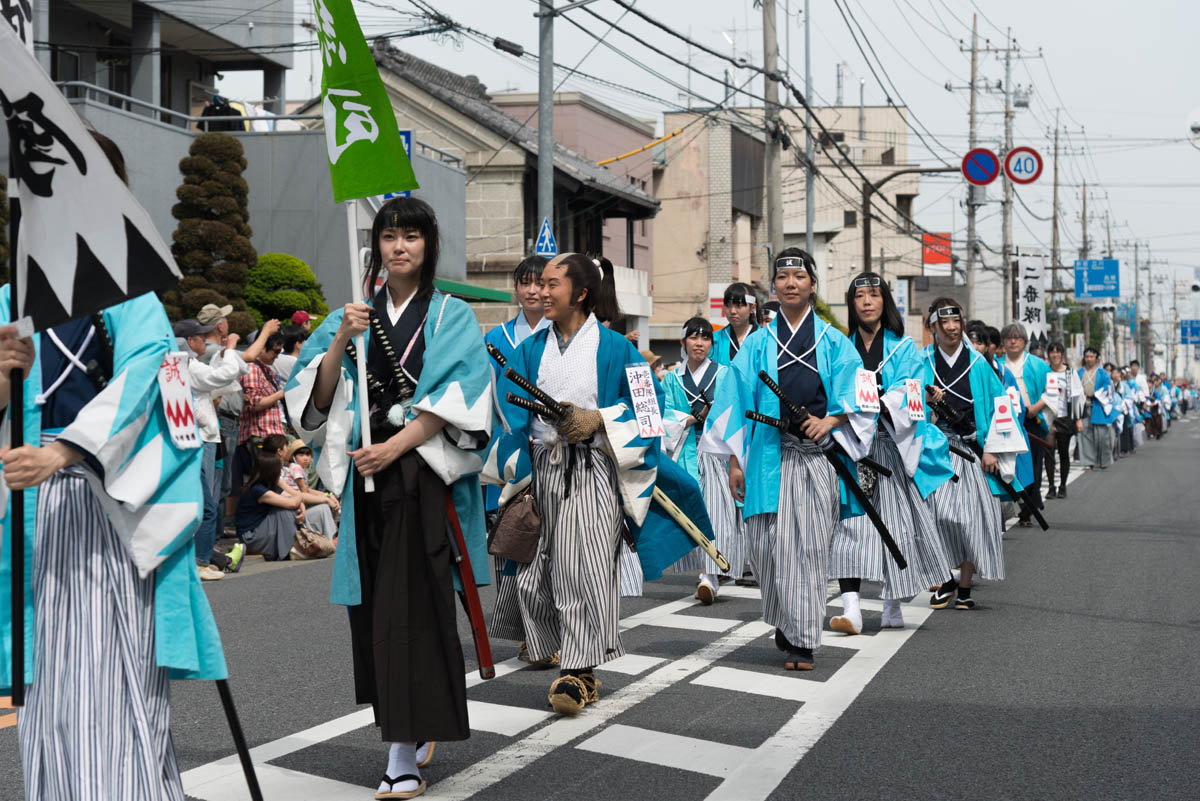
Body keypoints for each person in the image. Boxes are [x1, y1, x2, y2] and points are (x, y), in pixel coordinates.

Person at [0, 130, 225, 801]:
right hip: (31, 511)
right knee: (45, 693)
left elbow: (147, 384)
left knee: (108, 681)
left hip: (105, 507)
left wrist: (63, 452)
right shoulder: (13, 294)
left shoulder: (131, 295)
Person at [287, 197, 493, 798]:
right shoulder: (349, 313)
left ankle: (402, 753)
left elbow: (464, 396)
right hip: (364, 480)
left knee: (411, 609)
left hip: (420, 478)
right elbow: (314, 402)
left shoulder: (451, 314)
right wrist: (339, 341)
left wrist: (395, 447)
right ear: (373, 245)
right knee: (376, 611)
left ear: (429, 245)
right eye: (388, 236)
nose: (399, 246)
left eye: (411, 236)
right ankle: (409, 724)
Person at [484, 252, 689, 713]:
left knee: (585, 569)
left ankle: (579, 672)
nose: (541, 291)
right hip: (541, 467)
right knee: (532, 572)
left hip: (594, 468)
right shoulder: (530, 348)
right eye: (537, 283)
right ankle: (551, 644)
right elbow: (508, 410)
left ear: (580, 292)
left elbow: (649, 412)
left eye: (552, 283)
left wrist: (598, 418)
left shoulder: (618, 348)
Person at [703, 248, 875, 670]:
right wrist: (734, 460)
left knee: (809, 547)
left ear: (812, 285)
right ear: (774, 289)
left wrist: (832, 419)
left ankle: (802, 641)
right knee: (764, 547)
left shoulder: (835, 342)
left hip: (816, 457)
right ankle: (787, 617)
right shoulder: (759, 342)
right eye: (783, 278)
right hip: (765, 453)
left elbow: (863, 397)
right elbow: (733, 400)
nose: (791, 283)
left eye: (799, 276)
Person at [827, 273, 954, 634]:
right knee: (847, 527)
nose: (867, 302)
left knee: (894, 527)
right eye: (859, 296)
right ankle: (851, 607)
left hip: (888, 445)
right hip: (850, 446)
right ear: (851, 305)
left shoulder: (904, 348)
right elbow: (834, 390)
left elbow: (912, 393)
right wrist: (854, 412)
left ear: (885, 301)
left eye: (874, 295)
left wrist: (881, 404)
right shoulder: (840, 347)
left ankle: (891, 603)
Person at [923, 298, 1026, 611]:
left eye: (957, 322)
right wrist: (929, 403)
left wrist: (992, 448)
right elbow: (909, 404)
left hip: (974, 450)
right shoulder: (922, 361)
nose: (952, 329)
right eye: (945, 323)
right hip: (937, 449)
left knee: (972, 519)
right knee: (936, 516)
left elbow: (1001, 407)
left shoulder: (978, 363)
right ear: (934, 327)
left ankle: (964, 586)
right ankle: (946, 577)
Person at [481, 255, 551, 658]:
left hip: (553, 450)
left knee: (553, 546)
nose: (532, 290)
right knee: (514, 541)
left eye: (540, 283)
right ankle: (528, 630)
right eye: (524, 282)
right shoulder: (494, 339)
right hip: (509, 453)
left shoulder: (564, 337)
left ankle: (549, 631)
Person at [176, 317, 274, 577]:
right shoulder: (188, 365)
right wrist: (229, 350)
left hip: (207, 435)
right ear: (190, 342)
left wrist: (225, 355)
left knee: (210, 498)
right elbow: (224, 374)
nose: (205, 340)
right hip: (202, 437)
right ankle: (201, 560)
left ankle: (205, 558)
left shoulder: (191, 364)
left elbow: (225, 377)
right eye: (201, 337)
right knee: (205, 503)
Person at [661, 317, 746, 604]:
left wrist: (713, 417)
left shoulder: (724, 374)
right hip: (685, 450)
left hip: (716, 452)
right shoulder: (672, 378)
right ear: (684, 342)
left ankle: (710, 575)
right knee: (692, 513)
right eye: (694, 338)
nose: (700, 343)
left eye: (706, 338)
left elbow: (734, 412)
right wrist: (687, 418)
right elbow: (665, 414)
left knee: (717, 513)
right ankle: (706, 571)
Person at [999, 323, 1050, 528]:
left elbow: (1053, 391)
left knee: (1032, 465)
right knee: (1009, 463)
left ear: (1024, 342)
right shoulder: (996, 364)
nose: (1013, 342)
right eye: (1009, 338)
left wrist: (1036, 407)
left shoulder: (1038, 364)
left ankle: (1028, 510)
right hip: (1006, 420)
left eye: (1017, 338)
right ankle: (1008, 504)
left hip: (1032, 419)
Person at [234, 329, 288, 500]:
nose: (278, 356)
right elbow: (254, 404)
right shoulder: (251, 369)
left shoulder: (268, 371)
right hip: (258, 435)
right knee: (261, 481)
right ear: (262, 348)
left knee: (270, 480)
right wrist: (280, 394)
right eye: (276, 351)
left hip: (270, 435)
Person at [235, 449, 303, 561]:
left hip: (261, 530)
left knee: (290, 509)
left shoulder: (268, 486)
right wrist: (300, 499)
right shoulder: (258, 490)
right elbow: (292, 502)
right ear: (271, 471)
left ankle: (300, 544)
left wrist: (301, 505)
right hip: (250, 537)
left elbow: (293, 498)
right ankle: (291, 549)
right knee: (285, 511)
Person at [1076, 347, 1120, 469]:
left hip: (1098, 405)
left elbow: (1108, 388)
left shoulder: (1102, 373)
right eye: (1087, 356)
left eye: (1092, 357)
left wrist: (1098, 393)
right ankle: (1089, 461)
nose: (1089, 359)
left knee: (1102, 435)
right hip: (1083, 406)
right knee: (1085, 433)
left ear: (1096, 358)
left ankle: (1103, 461)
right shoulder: (1079, 373)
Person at [1042, 342, 1077, 499]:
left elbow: (1078, 396)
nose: (1055, 355)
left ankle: (1062, 485)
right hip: (1048, 417)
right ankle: (1051, 486)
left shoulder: (1070, 373)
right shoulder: (1044, 372)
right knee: (1048, 452)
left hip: (1065, 416)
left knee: (1063, 453)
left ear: (1062, 354)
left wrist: (1078, 418)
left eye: (1058, 352)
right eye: (1052, 352)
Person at [711, 282, 759, 366]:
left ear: (753, 308)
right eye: (728, 305)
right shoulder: (714, 339)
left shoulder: (765, 338)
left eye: (739, 305)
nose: (732, 311)